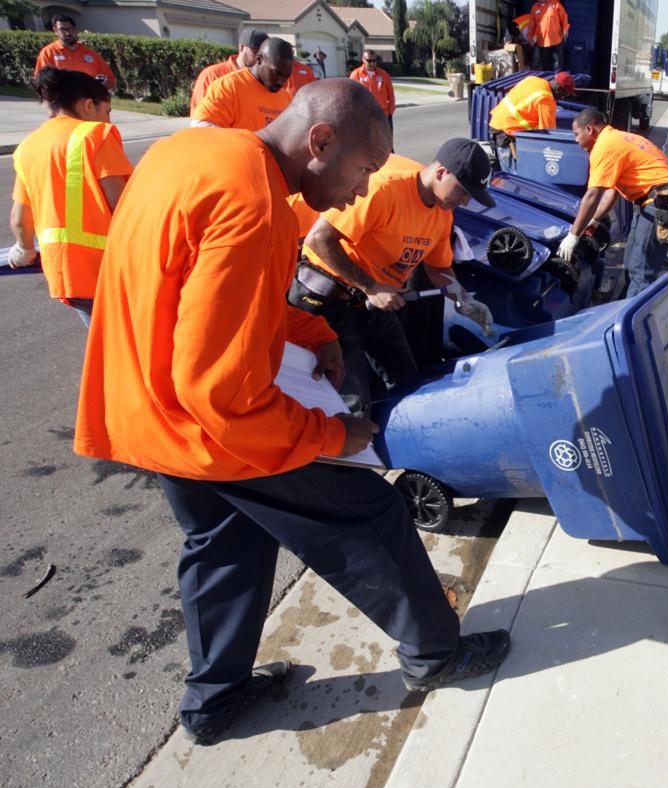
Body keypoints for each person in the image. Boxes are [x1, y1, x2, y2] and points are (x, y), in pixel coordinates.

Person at [73, 79, 510, 747]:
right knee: (372, 511)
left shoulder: (188, 155)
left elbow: (205, 296)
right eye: (364, 169)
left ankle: (214, 701)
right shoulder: (254, 206)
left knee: (225, 544)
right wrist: (332, 432)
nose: (364, 191)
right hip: (205, 428)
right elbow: (221, 394)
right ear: (320, 141)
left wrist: (315, 334)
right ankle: (435, 654)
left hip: (143, 409)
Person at [301, 140, 497, 414]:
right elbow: (319, 240)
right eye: (463, 191)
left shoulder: (442, 216)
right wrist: (369, 286)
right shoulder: (384, 189)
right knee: (352, 406)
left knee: (410, 384)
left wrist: (463, 297)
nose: (464, 202)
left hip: (376, 307)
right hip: (332, 304)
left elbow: (437, 269)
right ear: (441, 172)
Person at [8, 68, 132, 326]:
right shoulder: (96, 135)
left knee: (102, 345)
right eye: (106, 112)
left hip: (66, 275)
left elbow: (20, 220)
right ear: (89, 105)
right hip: (108, 268)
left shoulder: (28, 147)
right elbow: (123, 207)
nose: (108, 121)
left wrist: (24, 250)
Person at [559, 107, 668, 298]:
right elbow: (612, 192)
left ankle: (632, 322)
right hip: (657, 199)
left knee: (643, 270)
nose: (576, 141)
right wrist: (593, 221)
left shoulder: (605, 146)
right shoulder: (617, 138)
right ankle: (623, 306)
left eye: (577, 134)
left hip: (662, 202)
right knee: (631, 261)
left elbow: (593, 195)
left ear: (590, 130)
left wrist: (573, 236)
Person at [192, 37, 293, 131]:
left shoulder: (286, 98)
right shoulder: (228, 87)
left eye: (286, 76)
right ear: (259, 59)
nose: (282, 81)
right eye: (276, 73)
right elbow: (200, 126)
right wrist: (243, 142)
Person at [487, 71, 576, 170]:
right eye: (565, 94)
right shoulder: (546, 99)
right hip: (506, 134)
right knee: (514, 178)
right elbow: (549, 134)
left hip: (497, 124)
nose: (563, 98)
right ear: (559, 89)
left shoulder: (533, 80)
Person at [190, 28, 268, 113]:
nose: (259, 58)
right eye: (255, 51)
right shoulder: (212, 75)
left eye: (263, 55)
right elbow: (198, 117)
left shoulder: (267, 80)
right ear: (241, 47)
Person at [34, 15, 116, 89]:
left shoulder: (91, 54)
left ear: (76, 30)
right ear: (55, 31)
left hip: (88, 102)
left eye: (70, 29)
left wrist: (96, 84)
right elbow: (40, 81)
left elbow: (111, 81)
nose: (67, 33)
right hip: (62, 103)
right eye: (62, 29)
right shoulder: (48, 53)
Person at [349, 50, 395, 136]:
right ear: (363, 59)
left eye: (374, 61)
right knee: (367, 142)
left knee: (386, 142)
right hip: (364, 116)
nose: (372, 63)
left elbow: (391, 94)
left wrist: (390, 111)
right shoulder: (356, 75)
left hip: (383, 115)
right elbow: (350, 96)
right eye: (369, 61)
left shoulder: (384, 75)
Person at [530, 0, 569, 71]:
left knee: (558, 67)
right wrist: (530, 38)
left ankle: (557, 81)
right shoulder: (534, 8)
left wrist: (565, 29)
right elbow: (532, 25)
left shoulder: (555, 3)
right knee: (545, 67)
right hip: (543, 42)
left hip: (557, 40)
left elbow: (564, 16)